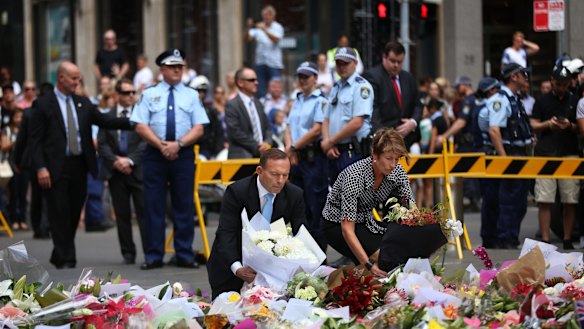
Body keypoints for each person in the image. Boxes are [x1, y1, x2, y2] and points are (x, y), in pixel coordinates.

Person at [29, 61, 132, 269]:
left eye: (79, 78)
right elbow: (35, 140)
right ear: (61, 78)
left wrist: (133, 122)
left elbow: (105, 121)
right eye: (74, 78)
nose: (78, 82)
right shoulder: (43, 104)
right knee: (59, 211)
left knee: (74, 211)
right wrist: (40, 167)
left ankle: (60, 252)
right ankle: (68, 258)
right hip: (54, 167)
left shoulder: (83, 103)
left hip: (79, 165)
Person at [130, 48, 209, 270]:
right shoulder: (149, 93)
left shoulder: (192, 95)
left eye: (180, 67)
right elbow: (140, 124)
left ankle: (184, 253)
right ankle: (154, 255)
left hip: (183, 154)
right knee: (153, 205)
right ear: (162, 69)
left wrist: (179, 144)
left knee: (184, 204)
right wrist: (161, 144)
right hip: (155, 154)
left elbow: (199, 127)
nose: (177, 70)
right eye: (172, 67)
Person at [207, 148, 307, 299]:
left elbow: (303, 233)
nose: (280, 180)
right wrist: (237, 268)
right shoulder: (237, 191)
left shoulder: (294, 194)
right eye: (274, 174)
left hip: (272, 265)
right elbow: (225, 233)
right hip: (232, 261)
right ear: (259, 171)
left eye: (285, 175)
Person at [321, 128, 414, 277]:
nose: (393, 164)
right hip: (336, 225)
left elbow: (410, 208)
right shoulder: (354, 176)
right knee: (383, 260)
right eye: (389, 158)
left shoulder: (398, 171)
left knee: (398, 254)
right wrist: (369, 265)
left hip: (365, 220)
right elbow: (347, 229)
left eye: (397, 159)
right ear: (375, 155)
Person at [530, 66, 579, 250]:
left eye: (565, 84)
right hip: (546, 153)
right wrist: (548, 124)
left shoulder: (574, 100)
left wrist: (569, 125)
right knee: (544, 198)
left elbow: (579, 128)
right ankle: (545, 239)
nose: (561, 87)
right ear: (552, 81)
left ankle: (567, 238)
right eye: (558, 84)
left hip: (569, 153)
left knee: (570, 199)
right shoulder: (541, 101)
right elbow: (533, 124)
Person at [98, 78, 146, 264]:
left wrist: (130, 160)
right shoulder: (108, 115)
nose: (131, 96)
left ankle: (150, 253)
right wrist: (116, 161)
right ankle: (128, 253)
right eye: (127, 93)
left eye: (133, 92)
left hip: (137, 169)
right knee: (122, 215)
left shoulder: (141, 115)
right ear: (118, 95)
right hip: (116, 171)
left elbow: (145, 141)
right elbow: (102, 144)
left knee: (144, 213)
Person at [486, 63, 533, 249]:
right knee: (509, 199)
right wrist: (504, 158)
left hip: (520, 153)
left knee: (520, 199)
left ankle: (511, 236)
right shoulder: (501, 99)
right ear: (514, 77)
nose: (526, 77)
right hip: (510, 154)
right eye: (523, 74)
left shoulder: (515, 98)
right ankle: (506, 238)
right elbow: (494, 131)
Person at [285, 61, 329, 249]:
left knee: (315, 207)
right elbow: (288, 126)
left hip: (312, 159)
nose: (302, 80)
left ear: (315, 78)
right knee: (297, 207)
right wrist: (289, 148)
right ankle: (302, 250)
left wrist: (293, 147)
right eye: (300, 76)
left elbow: (316, 129)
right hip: (296, 158)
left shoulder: (320, 100)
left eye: (306, 76)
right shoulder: (298, 99)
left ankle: (319, 254)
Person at [321, 47, 373, 184]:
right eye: (339, 63)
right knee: (336, 200)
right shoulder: (336, 87)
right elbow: (326, 118)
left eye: (346, 63)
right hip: (335, 151)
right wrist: (328, 143)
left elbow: (357, 122)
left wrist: (330, 141)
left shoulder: (361, 87)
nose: (342, 67)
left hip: (353, 152)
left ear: (355, 63)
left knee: (353, 200)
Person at [363, 41, 422, 150]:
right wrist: (384, 136)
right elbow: (373, 110)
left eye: (399, 62)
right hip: (384, 140)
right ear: (384, 57)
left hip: (408, 138)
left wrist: (413, 122)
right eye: (393, 61)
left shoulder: (408, 78)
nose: (396, 65)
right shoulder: (372, 76)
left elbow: (418, 105)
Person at [473, 77, 502, 248]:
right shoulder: (486, 108)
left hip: (483, 153)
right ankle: (490, 237)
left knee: (490, 198)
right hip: (487, 154)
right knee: (491, 198)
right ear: (491, 91)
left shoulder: (480, 106)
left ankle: (490, 236)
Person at [225, 67, 272, 159]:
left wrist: (267, 143)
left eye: (256, 79)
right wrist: (257, 146)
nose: (256, 83)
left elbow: (268, 128)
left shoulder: (258, 103)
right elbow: (235, 132)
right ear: (240, 83)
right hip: (241, 158)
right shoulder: (232, 105)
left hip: (262, 156)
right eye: (251, 80)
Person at [245, 5, 284, 97]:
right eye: (265, 15)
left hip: (274, 63)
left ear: (273, 16)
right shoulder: (258, 27)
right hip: (260, 62)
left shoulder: (277, 27)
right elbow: (247, 38)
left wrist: (264, 30)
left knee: (275, 88)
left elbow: (276, 39)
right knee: (260, 89)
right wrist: (248, 27)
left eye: (269, 15)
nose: (267, 17)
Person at [2, 109, 27, 230]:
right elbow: (4, 147)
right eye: (17, 117)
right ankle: (14, 219)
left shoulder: (27, 130)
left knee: (23, 194)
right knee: (14, 193)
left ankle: (22, 218)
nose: (19, 119)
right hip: (11, 165)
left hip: (25, 165)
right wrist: (15, 142)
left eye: (21, 117)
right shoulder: (7, 130)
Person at [189, 75, 225, 159]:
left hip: (208, 150)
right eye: (199, 91)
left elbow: (218, 132)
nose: (201, 94)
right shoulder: (186, 109)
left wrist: (218, 151)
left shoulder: (210, 110)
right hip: (190, 150)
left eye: (204, 91)